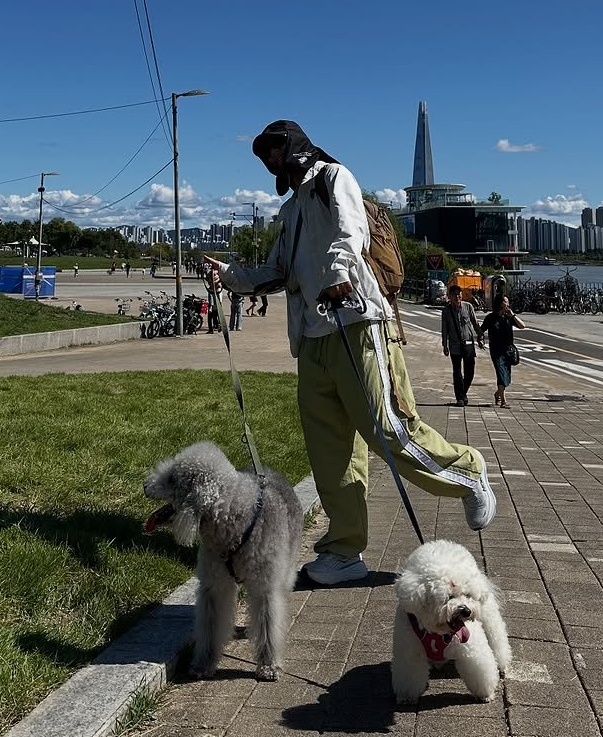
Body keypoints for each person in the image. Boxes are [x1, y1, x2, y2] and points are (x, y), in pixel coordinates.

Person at [204, 120, 496, 588]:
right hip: (312, 339)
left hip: (355, 322)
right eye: (265, 155)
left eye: (277, 150)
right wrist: (231, 276)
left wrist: (339, 273)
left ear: (296, 145)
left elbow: (351, 229)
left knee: (389, 429)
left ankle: (468, 471)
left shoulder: (333, 179)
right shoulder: (293, 205)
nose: (272, 160)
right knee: (330, 452)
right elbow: (278, 270)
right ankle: (344, 550)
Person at [479, 295, 527, 408]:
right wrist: (480, 340)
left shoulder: (508, 317)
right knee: (501, 373)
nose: (508, 304)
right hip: (496, 350)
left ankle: (497, 393)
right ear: (500, 303)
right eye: (506, 302)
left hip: (508, 350)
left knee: (506, 376)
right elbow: (481, 330)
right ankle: (503, 401)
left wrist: (513, 315)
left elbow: (522, 326)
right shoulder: (490, 318)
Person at [441, 284, 484, 404]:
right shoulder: (446, 311)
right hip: (454, 345)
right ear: (450, 296)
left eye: (458, 294)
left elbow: (475, 323)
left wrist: (480, 336)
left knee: (470, 371)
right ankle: (460, 397)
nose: (457, 297)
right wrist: (445, 345)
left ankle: (463, 392)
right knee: (457, 372)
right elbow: (445, 329)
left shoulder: (468, 307)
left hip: (468, 343)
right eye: (454, 295)